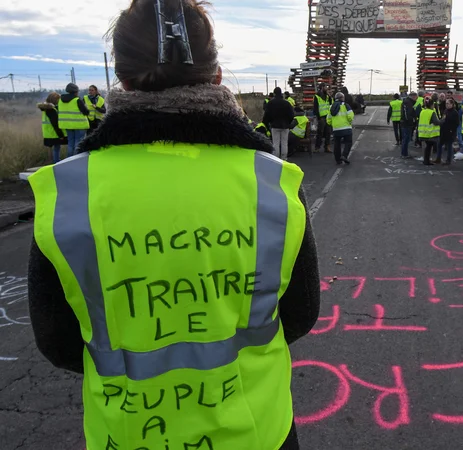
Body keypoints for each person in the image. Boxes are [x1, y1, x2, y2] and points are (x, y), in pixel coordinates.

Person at [27, 2, 320, 450]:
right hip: (256, 429)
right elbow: (299, 314)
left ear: (121, 79)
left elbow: (57, 341)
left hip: (125, 434)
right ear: (217, 75)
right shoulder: (273, 181)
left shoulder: (68, 189)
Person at [58, 82, 90, 157]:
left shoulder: (60, 101)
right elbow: (86, 112)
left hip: (67, 125)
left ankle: (69, 160)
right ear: (76, 91)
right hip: (79, 125)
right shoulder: (77, 100)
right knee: (78, 143)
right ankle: (76, 159)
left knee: (70, 143)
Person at [263, 87, 295, 160]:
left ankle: (276, 159)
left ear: (274, 93)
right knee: (284, 143)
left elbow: (266, 115)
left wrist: (267, 123)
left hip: (274, 126)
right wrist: (288, 123)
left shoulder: (270, 103)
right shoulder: (286, 103)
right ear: (281, 93)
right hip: (285, 126)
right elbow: (292, 115)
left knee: (276, 143)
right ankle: (284, 158)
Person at [38, 92, 68, 163]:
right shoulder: (51, 110)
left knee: (55, 148)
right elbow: (55, 124)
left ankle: (54, 161)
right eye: (58, 100)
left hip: (48, 132)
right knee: (56, 148)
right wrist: (60, 135)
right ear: (55, 100)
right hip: (53, 133)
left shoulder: (46, 109)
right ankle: (56, 161)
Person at [328, 92, 354, 165]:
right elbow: (350, 116)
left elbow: (329, 119)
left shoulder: (331, 107)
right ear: (342, 98)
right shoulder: (346, 105)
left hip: (336, 129)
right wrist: (349, 122)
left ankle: (338, 160)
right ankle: (344, 155)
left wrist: (333, 124)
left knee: (337, 144)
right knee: (348, 142)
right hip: (346, 128)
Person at [418, 97, 442, 166]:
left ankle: (426, 160)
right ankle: (427, 161)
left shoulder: (422, 111)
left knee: (427, 147)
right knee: (429, 147)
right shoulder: (432, 112)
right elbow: (436, 122)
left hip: (423, 133)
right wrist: (443, 120)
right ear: (432, 105)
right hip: (430, 133)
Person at [436, 98, 460, 165]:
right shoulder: (445, 111)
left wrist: (452, 130)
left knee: (449, 146)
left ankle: (448, 160)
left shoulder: (455, 112)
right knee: (439, 145)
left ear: (452, 104)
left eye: (448, 103)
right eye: (446, 103)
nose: (447, 105)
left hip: (450, 132)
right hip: (443, 131)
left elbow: (457, 123)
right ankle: (438, 158)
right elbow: (443, 119)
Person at [400, 91, 419, 159]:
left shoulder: (407, 102)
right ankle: (404, 154)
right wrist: (412, 120)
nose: (416, 99)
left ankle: (404, 153)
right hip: (407, 123)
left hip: (405, 123)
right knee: (406, 139)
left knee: (406, 139)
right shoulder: (409, 103)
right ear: (413, 96)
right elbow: (408, 114)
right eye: (416, 97)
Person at [314, 84, 332, 153]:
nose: (326, 88)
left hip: (327, 117)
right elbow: (315, 108)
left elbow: (330, 103)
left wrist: (329, 96)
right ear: (322, 88)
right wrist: (318, 117)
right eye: (325, 87)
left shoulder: (327, 96)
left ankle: (327, 147)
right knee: (320, 132)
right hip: (321, 117)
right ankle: (317, 147)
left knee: (328, 132)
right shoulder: (317, 96)